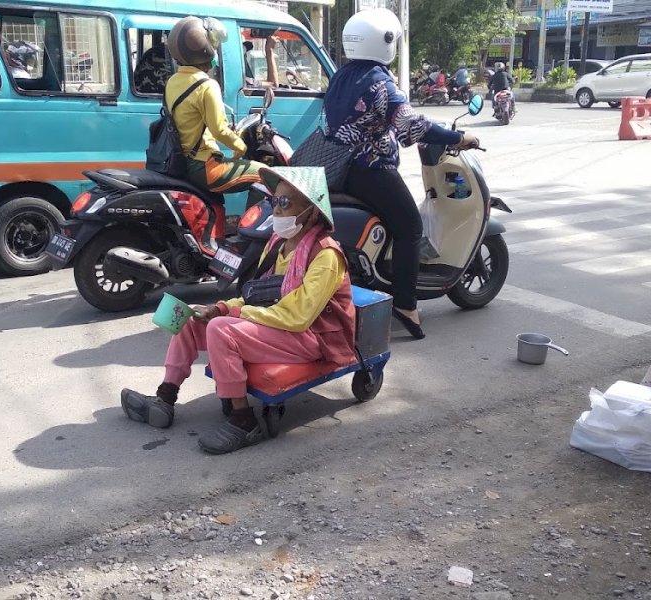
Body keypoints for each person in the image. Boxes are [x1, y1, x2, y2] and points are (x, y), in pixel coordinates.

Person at [121, 166, 356, 454]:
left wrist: (231, 315)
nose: (276, 210)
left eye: (284, 203)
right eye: (274, 202)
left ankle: (245, 421)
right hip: (281, 327)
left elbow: (298, 317)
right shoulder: (278, 245)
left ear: (310, 210)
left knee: (222, 329)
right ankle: (165, 398)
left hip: (313, 337)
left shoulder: (326, 255)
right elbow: (258, 296)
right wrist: (219, 307)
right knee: (190, 318)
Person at [323, 8, 478, 340]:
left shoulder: (341, 76)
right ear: (386, 42)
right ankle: (407, 305)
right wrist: (457, 137)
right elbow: (411, 126)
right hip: (370, 170)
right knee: (410, 227)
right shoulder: (380, 82)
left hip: (338, 167)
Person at [165, 16, 265, 202]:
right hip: (203, 167)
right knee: (265, 175)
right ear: (205, 50)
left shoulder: (172, 82)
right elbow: (219, 130)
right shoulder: (207, 85)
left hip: (181, 163)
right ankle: (253, 229)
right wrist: (241, 147)